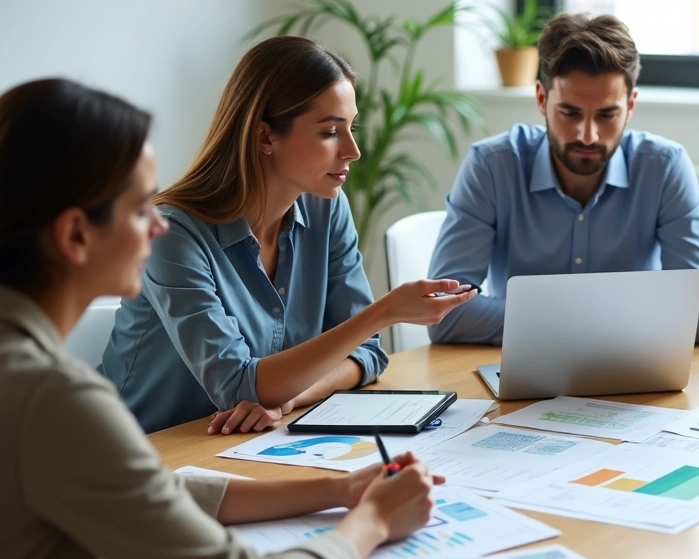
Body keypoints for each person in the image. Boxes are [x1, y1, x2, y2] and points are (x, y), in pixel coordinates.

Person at [0, 78, 444, 559]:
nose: (157, 225)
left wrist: (336, 490)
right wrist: (372, 521)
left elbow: (153, 494)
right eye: (140, 209)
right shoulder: (57, 401)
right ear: (75, 235)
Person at [100, 36, 475, 434]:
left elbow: (366, 355)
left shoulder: (327, 208)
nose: (353, 150)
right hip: (140, 451)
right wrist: (383, 312)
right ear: (265, 138)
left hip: (238, 445)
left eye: (351, 128)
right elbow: (238, 386)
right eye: (330, 132)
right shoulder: (171, 234)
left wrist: (292, 396)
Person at [427, 13, 699, 345]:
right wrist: (612, 320)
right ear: (541, 99)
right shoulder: (493, 166)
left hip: (629, 376)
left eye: (607, 115)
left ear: (631, 105)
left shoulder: (664, 167)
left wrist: (545, 320)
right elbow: (444, 314)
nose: (587, 135)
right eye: (570, 113)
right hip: (523, 376)